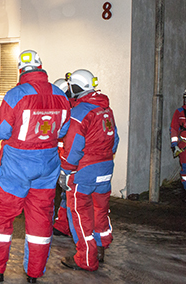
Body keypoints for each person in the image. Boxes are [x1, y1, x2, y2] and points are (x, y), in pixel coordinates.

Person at [0, 50, 71, 283]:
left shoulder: (17, 94)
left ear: (21, 69)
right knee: (41, 220)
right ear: (41, 67)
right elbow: (62, 130)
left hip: (16, 168)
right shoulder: (60, 95)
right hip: (48, 167)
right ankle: (34, 273)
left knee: (1, 217)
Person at [58, 69, 119, 272]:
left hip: (84, 172)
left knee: (80, 215)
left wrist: (65, 171)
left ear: (75, 88)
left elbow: (74, 146)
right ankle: (100, 249)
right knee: (100, 211)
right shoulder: (105, 110)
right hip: (105, 169)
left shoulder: (80, 113)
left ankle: (86, 259)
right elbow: (114, 140)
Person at [51, 77, 73, 238]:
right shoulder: (66, 108)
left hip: (67, 160)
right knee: (65, 194)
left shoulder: (71, 111)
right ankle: (62, 225)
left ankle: (64, 226)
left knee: (68, 194)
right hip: (61, 158)